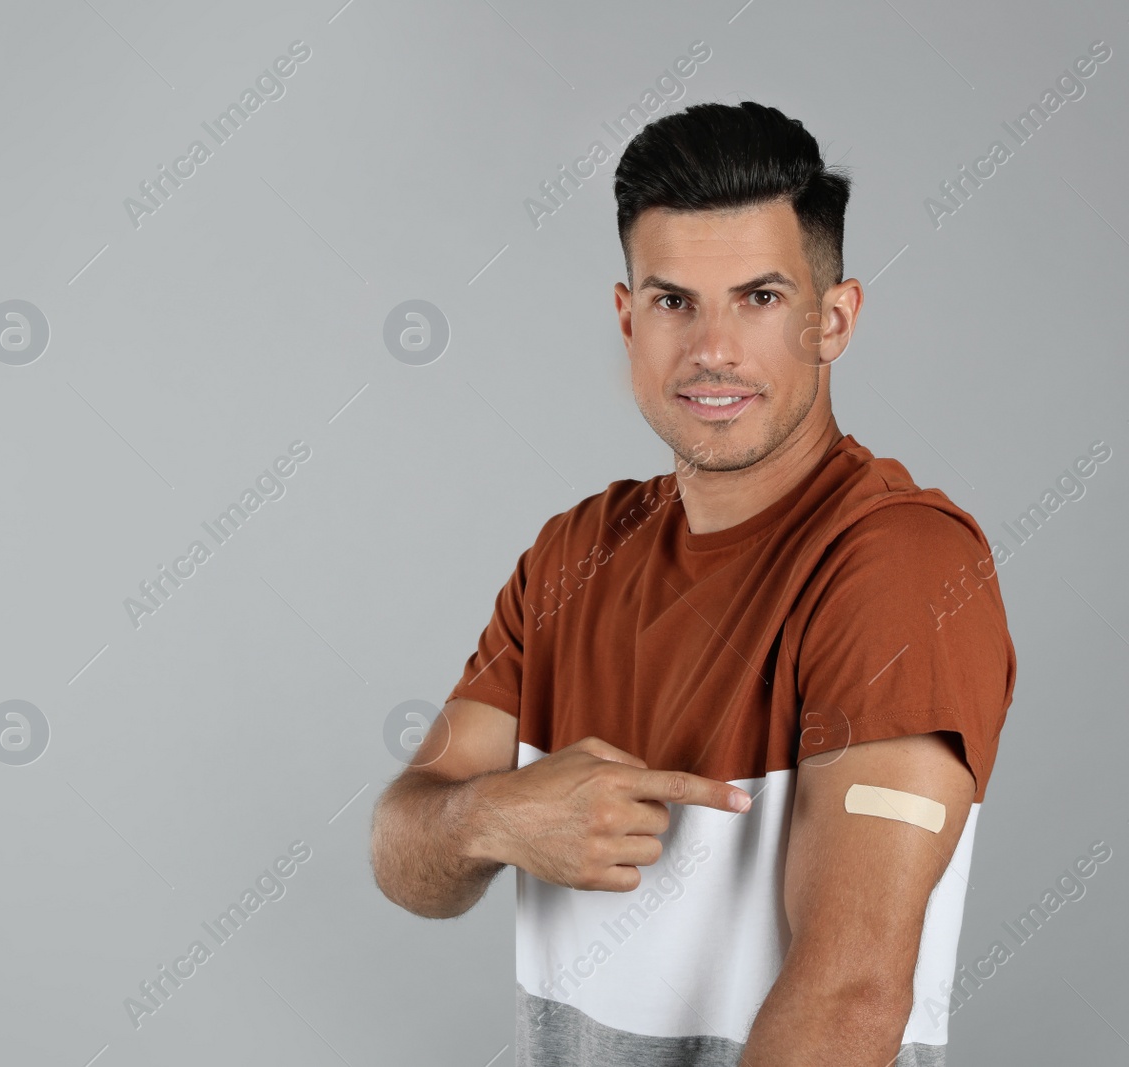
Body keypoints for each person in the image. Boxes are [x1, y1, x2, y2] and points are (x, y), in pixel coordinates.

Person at [370, 100, 1017, 1067]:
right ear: (628, 317)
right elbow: (405, 851)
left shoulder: (896, 566)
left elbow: (849, 996)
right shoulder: (573, 552)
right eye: (675, 300)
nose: (713, 348)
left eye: (759, 298)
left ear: (832, 319)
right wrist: (494, 816)